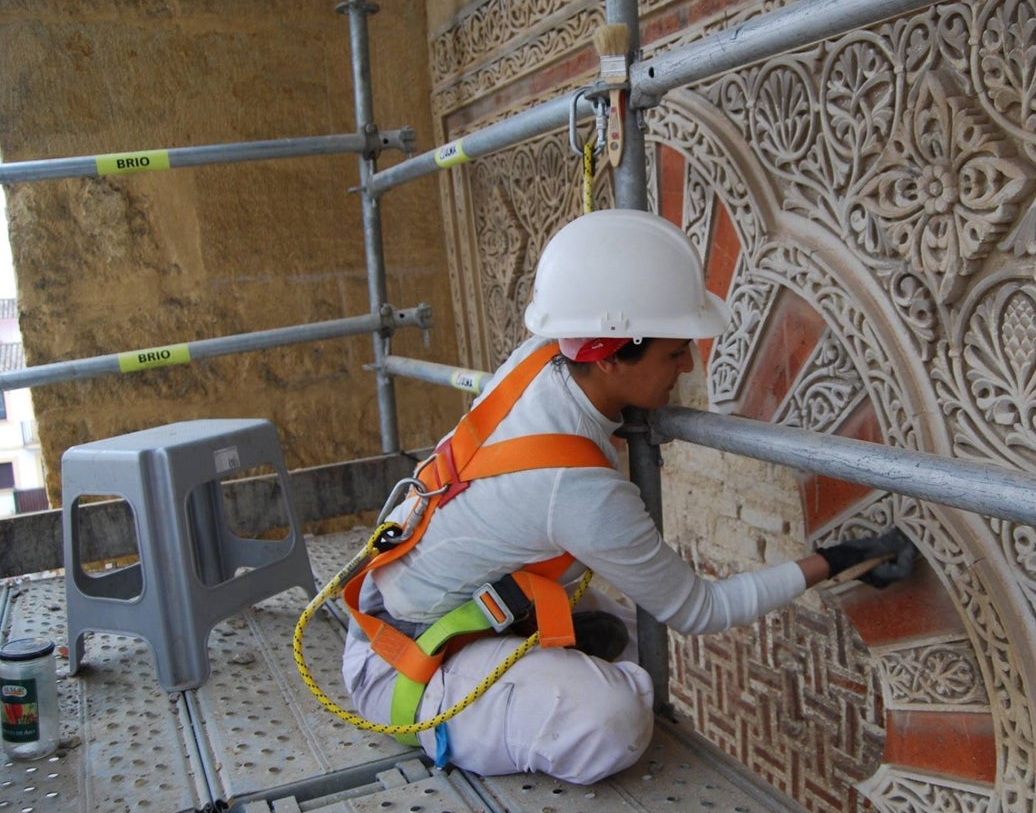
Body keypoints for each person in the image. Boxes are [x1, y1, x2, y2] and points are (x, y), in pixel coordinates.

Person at [341, 209, 916, 784]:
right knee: (616, 717)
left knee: (637, 641)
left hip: (412, 604)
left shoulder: (539, 359)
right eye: (673, 353)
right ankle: (479, 713)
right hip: (401, 666)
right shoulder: (579, 491)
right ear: (611, 354)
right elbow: (700, 609)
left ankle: (537, 671)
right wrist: (836, 561)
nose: (687, 364)